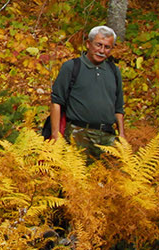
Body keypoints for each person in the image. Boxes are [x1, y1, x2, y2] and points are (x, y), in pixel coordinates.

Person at [50, 25, 126, 160]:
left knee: (112, 177)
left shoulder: (114, 71)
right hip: (77, 134)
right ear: (88, 44)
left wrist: (122, 135)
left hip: (107, 136)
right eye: (98, 45)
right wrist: (56, 135)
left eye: (107, 47)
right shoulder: (72, 67)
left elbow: (118, 108)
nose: (102, 50)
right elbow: (56, 102)